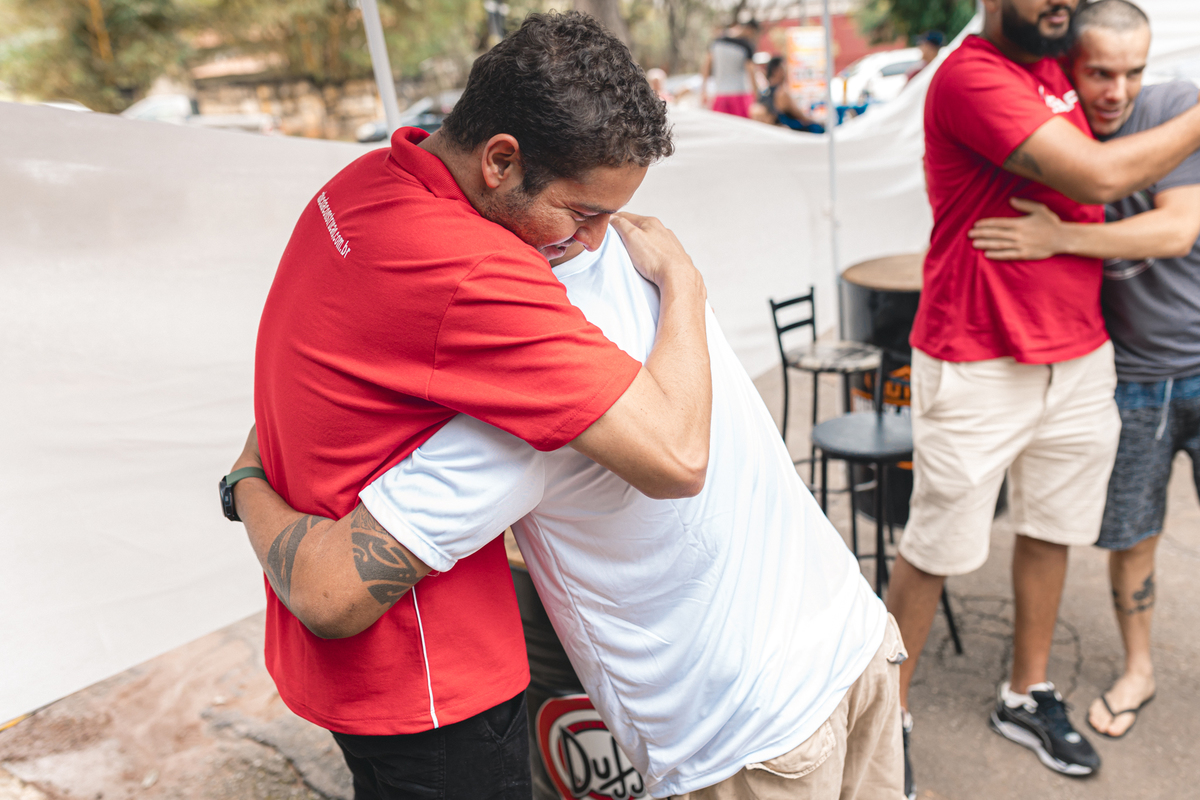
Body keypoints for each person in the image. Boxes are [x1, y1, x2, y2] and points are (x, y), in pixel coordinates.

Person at [230, 222, 905, 799]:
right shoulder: (635, 249)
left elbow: (330, 595)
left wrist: (245, 479)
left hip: (756, 736)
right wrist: (685, 280)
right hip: (853, 637)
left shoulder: (526, 392)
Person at [230, 13, 712, 799]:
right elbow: (677, 457)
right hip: (431, 685)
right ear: (501, 160)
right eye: (581, 213)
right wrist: (684, 285)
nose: (592, 242)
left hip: (342, 679)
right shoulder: (472, 271)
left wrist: (246, 477)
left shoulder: (362, 182)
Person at [890, 0, 1200, 790]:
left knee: (1051, 528)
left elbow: (1128, 91)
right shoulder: (973, 76)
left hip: (1081, 353)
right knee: (935, 548)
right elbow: (1099, 174)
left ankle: (1026, 694)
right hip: (977, 354)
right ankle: (887, 718)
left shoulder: (1067, 64)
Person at [750, 56, 825, 133]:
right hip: (791, 133)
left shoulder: (765, 93)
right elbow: (801, 116)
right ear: (777, 70)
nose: (786, 72)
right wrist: (818, 122)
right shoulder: (782, 93)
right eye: (784, 68)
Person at [701, 20, 760, 117]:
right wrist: (756, 95)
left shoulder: (716, 42)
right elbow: (751, 72)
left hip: (720, 95)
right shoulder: (746, 46)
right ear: (750, 30)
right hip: (740, 95)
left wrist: (703, 90)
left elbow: (706, 67)